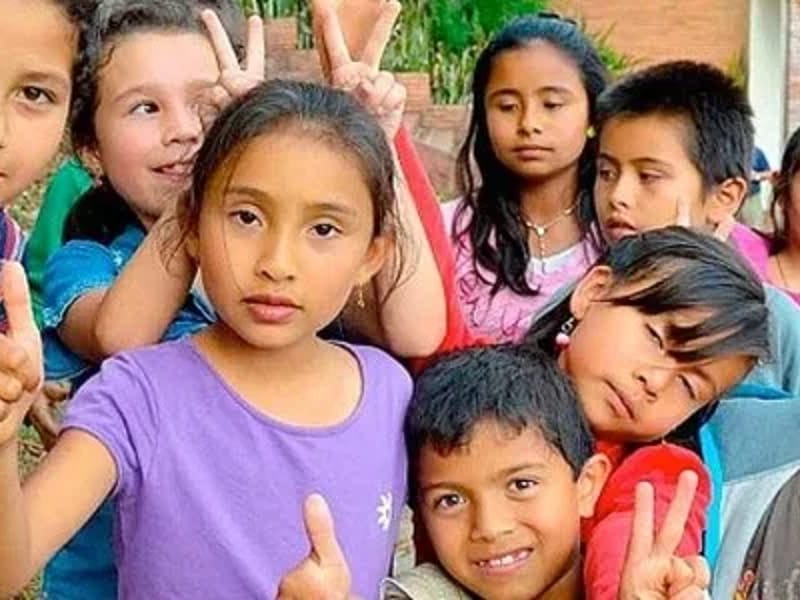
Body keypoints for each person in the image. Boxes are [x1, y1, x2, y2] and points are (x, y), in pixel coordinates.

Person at [278, 345, 712, 600]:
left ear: (587, 484)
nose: (489, 526)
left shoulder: (649, 590)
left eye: (521, 485)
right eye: (450, 500)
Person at [441, 14, 607, 341]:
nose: (529, 123)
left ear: (592, 112)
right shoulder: (444, 231)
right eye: (506, 106)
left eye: (552, 104)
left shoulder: (619, 230)